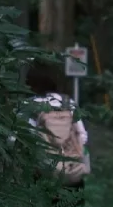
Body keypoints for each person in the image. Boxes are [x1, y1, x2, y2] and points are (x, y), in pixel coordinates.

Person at [26, 59, 90, 188]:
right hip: (72, 174)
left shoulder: (29, 105)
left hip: (43, 173)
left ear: (31, 81)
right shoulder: (67, 102)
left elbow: (17, 138)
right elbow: (82, 137)